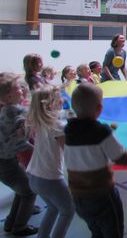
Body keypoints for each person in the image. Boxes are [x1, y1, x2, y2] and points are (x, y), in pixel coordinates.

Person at [64, 83, 127, 238]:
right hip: (101, 195)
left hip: (78, 197)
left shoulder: (69, 130)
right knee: (113, 232)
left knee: (96, 231)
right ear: (99, 108)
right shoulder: (100, 131)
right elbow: (121, 157)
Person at [26, 85, 74, 238]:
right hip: (49, 178)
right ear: (51, 103)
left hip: (33, 176)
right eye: (59, 96)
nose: (62, 98)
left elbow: (62, 116)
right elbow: (68, 152)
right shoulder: (58, 126)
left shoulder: (40, 122)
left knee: (53, 208)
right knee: (68, 210)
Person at [0, 72, 38, 236]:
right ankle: (19, 226)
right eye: (17, 88)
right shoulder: (14, 110)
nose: (22, 89)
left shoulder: (7, 110)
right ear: (8, 96)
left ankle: (10, 223)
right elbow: (27, 118)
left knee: (21, 190)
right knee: (29, 191)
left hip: (7, 161)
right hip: (6, 163)